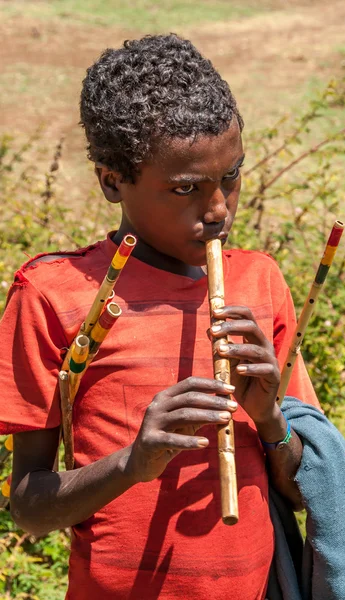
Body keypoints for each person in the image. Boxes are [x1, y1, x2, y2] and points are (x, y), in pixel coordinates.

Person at [0, 34, 322, 599]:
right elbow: (28, 509)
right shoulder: (53, 295)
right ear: (111, 181)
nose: (219, 210)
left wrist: (270, 418)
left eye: (232, 176)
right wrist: (133, 462)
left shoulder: (260, 282)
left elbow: (305, 494)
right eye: (185, 189)